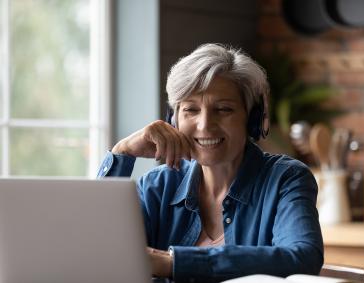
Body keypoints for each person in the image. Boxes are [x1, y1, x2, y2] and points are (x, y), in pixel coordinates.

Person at [97, 43, 323, 283]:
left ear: (253, 119)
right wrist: (122, 154)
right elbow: (96, 251)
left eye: (224, 109)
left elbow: (302, 258)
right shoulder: (157, 186)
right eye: (191, 110)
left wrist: (174, 263)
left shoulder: (286, 179)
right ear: (173, 120)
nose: (205, 125)